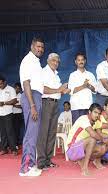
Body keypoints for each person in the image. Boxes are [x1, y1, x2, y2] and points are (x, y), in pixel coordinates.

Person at [37, 53, 70, 170]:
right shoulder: (43, 72)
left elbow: (57, 91)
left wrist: (63, 91)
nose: (56, 63)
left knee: (52, 133)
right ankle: (41, 162)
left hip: (55, 104)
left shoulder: (56, 75)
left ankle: (48, 160)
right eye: (53, 61)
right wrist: (58, 89)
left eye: (57, 61)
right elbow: (42, 89)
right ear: (48, 60)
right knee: (44, 133)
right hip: (46, 103)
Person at [19, 37, 44, 177]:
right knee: (31, 134)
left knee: (32, 133)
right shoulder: (28, 61)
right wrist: (33, 105)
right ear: (32, 46)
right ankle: (26, 167)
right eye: (38, 46)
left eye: (42, 47)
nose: (40, 49)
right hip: (31, 97)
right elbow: (26, 84)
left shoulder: (36, 61)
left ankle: (31, 165)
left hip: (36, 96)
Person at [66, 103, 108, 176]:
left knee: (103, 148)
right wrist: (103, 140)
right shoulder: (83, 119)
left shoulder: (95, 122)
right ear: (89, 112)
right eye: (95, 112)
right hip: (72, 150)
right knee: (92, 139)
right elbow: (93, 134)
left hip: (81, 148)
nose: (97, 115)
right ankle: (84, 168)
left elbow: (107, 125)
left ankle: (90, 161)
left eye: (98, 113)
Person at [68, 52, 97, 124]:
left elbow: (95, 90)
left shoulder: (90, 75)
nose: (81, 62)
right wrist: (84, 86)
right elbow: (71, 91)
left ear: (85, 61)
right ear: (75, 62)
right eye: (79, 60)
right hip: (76, 106)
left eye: (82, 60)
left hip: (88, 106)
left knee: (87, 129)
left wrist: (89, 86)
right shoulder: (72, 75)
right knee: (77, 129)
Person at [0, 76, 17, 155]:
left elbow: (14, 100)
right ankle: (4, 149)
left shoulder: (11, 89)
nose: (0, 86)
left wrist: (4, 103)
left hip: (8, 113)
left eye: (1, 84)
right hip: (0, 114)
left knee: (10, 132)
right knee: (2, 132)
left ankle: (13, 149)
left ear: (5, 82)